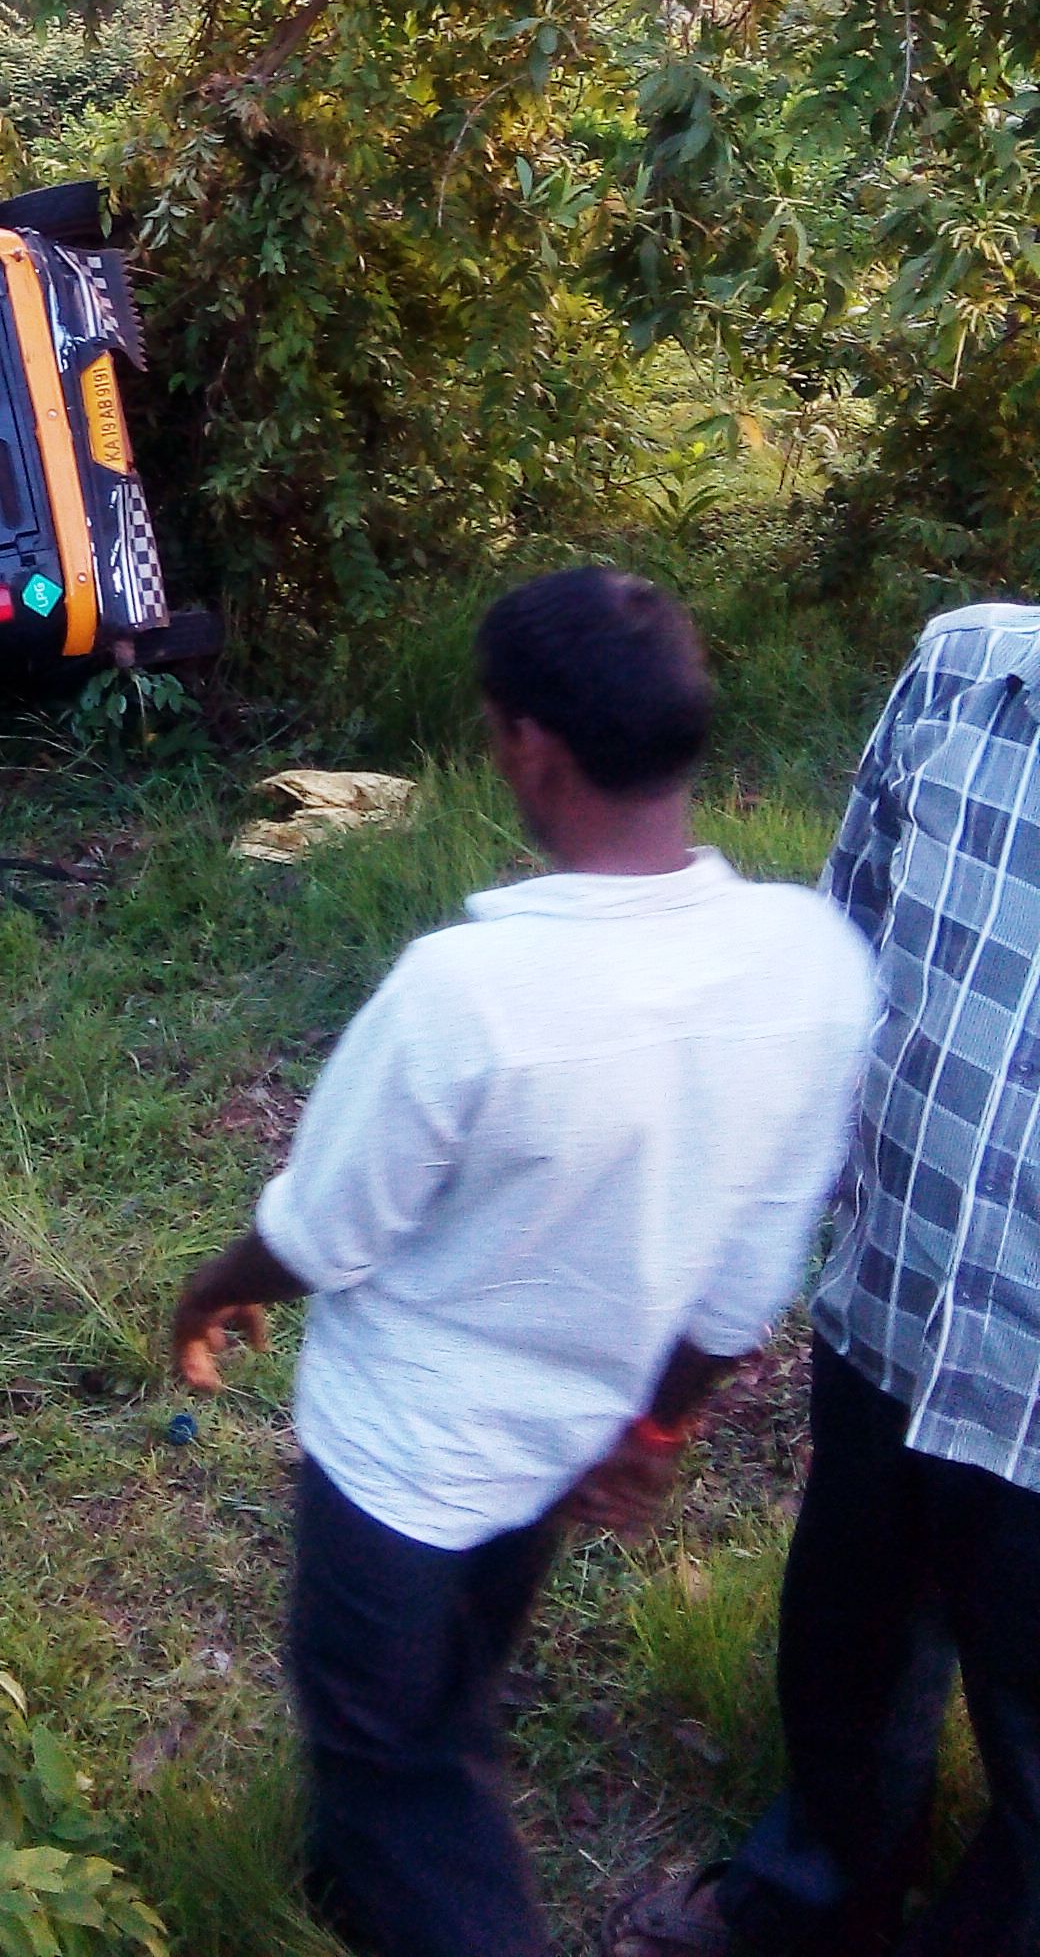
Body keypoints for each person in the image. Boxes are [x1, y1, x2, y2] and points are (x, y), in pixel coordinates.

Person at [174, 568, 876, 1957]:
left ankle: (396, 1892)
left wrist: (214, 1287)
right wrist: (657, 1427)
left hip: (397, 1471)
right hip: (565, 1451)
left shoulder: (467, 993)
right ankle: (342, 1895)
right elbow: (749, 1276)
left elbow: (325, 1233)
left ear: (532, 751)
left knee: (406, 1776)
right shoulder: (811, 963)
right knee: (448, 1691)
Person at [616, 601, 1040, 1957]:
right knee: (850, 1637)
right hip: (899, 1286)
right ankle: (815, 1895)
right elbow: (848, 939)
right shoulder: (965, 673)